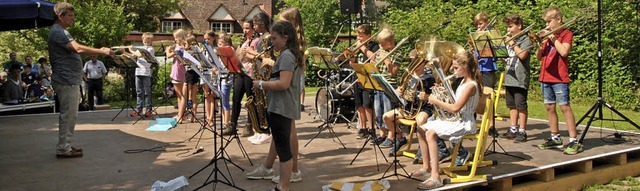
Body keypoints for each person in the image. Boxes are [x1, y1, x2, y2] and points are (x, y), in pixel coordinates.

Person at [245, 7, 306, 184]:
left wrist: (263, 82)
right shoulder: (288, 50)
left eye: (274, 38)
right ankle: (269, 167)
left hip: (285, 98)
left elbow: (285, 80)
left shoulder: (290, 51)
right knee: (280, 135)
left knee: (287, 135)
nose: (272, 41)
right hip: (281, 98)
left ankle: (290, 173)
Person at [48, 2, 114, 158]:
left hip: (68, 80)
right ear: (60, 16)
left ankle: (66, 145)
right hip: (65, 80)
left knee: (71, 114)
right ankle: (63, 148)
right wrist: (102, 51)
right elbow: (78, 48)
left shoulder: (60, 31)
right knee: (68, 115)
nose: (73, 19)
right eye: (70, 16)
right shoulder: (58, 32)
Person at [416, 51, 481, 190]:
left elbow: (456, 108)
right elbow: (455, 102)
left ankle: (435, 177)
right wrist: (441, 92)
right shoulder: (462, 81)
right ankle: (427, 167)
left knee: (430, 133)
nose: (453, 70)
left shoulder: (470, 85)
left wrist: (434, 99)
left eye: (456, 68)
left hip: (464, 122)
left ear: (466, 67)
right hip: (455, 120)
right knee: (420, 128)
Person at [535, 7, 581, 155]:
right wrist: (538, 44)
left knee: (564, 107)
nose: (547, 25)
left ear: (558, 20)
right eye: (546, 22)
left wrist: (552, 37)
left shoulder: (566, 34)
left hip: (559, 77)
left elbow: (564, 51)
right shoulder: (547, 37)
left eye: (549, 22)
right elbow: (538, 57)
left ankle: (574, 140)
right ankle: (555, 137)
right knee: (549, 107)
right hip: (545, 76)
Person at [381, 55, 435, 157]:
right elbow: (401, 90)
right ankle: (400, 138)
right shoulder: (408, 76)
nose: (412, 64)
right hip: (408, 108)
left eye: (415, 61)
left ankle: (422, 146)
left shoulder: (429, 78)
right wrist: (399, 92)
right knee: (386, 117)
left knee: (420, 120)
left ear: (423, 63)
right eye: (411, 61)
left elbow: (435, 95)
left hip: (423, 108)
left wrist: (427, 96)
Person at [229, 13, 271, 136]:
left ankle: (250, 125)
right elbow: (237, 57)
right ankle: (232, 124)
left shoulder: (258, 40)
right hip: (241, 72)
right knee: (236, 98)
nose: (245, 30)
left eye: (248, 28)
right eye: (244, 28)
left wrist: (248, 53)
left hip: (251, 72)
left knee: (250, 99)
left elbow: (259, 56)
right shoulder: (244, 41)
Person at [499, 14, 532, 142]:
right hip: (509, 76)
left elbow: (523, 55)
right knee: (512, 105)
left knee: (521, 105)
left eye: (511, 27)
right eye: (507, 27)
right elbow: (509, 57)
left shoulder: (525, 39)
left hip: (520, 78)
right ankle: (513, 128)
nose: (508, 30)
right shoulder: (511, 40)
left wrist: (512, 43)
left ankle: (522, 131)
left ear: (519, 26)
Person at [372, 28, 401, 146]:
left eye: (382, 44)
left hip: (390, 86)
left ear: (390, 42)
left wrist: (386, 59)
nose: (380, 46)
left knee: (387, 112)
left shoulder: (397, 53)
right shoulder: (380, 52)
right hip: (379, 85)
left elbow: (394, 71)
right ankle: (382, 134)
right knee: (378, 112)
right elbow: (375, 68)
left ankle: (392, 136)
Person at [350, 24, 377, 140]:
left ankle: (372, 129)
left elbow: (374, 57)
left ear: (368, 36)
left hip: (368, 80)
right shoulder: (357, 47)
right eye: (357, 36)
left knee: (367, 105)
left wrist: (362, 47)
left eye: (361, 36)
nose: (358, 38)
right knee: (359, 105)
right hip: (357, 79)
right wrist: (351, 58)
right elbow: (352, 64)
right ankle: (363, 128)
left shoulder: (373, 46)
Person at [129, 32, 155, 118]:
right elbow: (133, 56)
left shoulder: (150, 49)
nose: (146, 44)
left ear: (151, 42)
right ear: (142, 41)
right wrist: (124, 52)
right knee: (139, 92)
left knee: (147, 92)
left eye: (148, 42)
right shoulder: (140, 48)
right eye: (145, 42)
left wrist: (131, 49)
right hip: (138, 72)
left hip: (146, 73)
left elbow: (140, 54)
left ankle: (148, 109)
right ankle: (139, 109)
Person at [166, 29, 188, 123]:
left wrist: (168, 50)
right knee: (179, 95)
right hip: (178, 71)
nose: (174, 39)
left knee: (181, 95)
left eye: (176, 37)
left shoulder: (180, 48)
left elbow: (169, 55)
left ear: (181, 37)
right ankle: (180, 114)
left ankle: (181, 115)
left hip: (179, 72)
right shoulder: (180, 47)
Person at [202, 30, 220, 127]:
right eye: (205, 39)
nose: (207, 41)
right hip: (205, 73)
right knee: (206, 96)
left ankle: (211, 118)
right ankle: (207, 117)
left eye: (208, 39)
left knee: (212, 96)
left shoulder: (216, 49)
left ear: (213, 38)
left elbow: (219, 63)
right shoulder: (204, 49)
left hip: (213, 74)